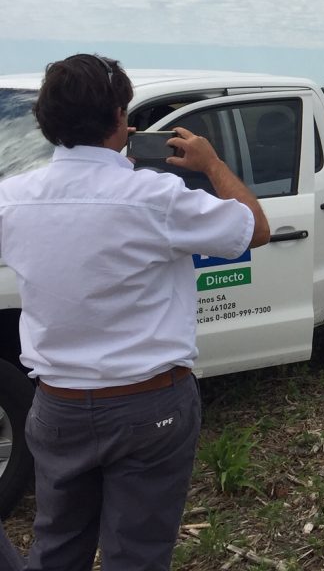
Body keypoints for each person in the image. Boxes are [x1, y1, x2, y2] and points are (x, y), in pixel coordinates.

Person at [0, 54, 270, 571]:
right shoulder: (156, 196)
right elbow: (253, 229)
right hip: (148, 405)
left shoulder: (11, 200)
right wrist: (212, 165)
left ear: (45, 122)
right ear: (121, 118)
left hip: (56, 406)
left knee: (57, 548)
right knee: (137, 556)